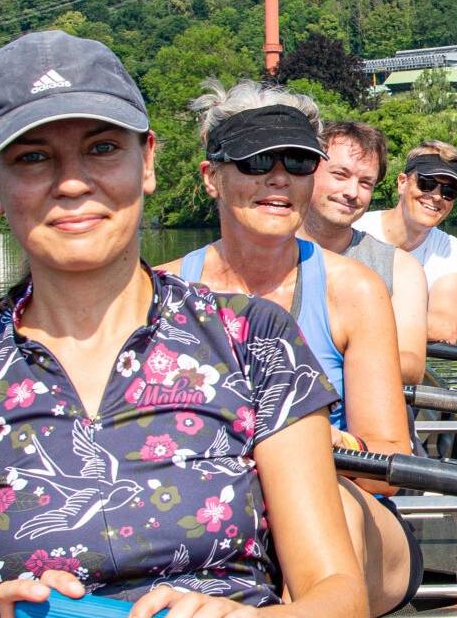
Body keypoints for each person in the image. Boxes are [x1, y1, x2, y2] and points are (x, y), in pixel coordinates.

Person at [0, 31, 365, 618]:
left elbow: (337, 594)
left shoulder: (253, 339)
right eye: (32, 157)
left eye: (102, 148)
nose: (72, 182)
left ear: (147, 161)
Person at [157, 80, 418, 616]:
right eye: (255, 161)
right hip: (214, 518)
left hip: (346, 507)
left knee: (333, 507)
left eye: (298, 161)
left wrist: (314, 444)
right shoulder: (158, 293)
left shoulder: (351, 290)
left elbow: (391, 463)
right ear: (212, 177)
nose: (278, 178)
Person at [297, 120, 431, 384]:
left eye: (366, 183)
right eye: (340, 175)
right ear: (308, 170)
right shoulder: (265, 252)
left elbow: (412, 366)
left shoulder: (400, 267)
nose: (351, 192)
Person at [352, 141, 457, 345]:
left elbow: (445, 328)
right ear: (402, 183)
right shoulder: (356, 228)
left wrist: (356, 315)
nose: (435, 196)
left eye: (448, 191)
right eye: (426, 183)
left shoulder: (447, 247)